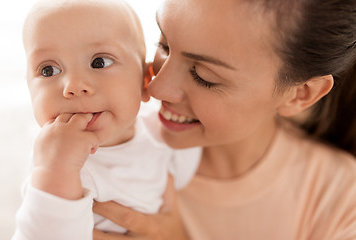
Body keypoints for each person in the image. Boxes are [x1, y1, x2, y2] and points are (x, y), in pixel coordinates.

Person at [92, 0, 356, 239]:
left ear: (299, 94)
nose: (156, 88)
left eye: (203, 75)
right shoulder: (91, 150)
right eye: (164, 45)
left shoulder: (343, 204)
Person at [12, 0, 200, 239]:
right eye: (48, 70)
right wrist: (54, 169)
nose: (74, 86)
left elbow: (184, 176)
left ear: (144, 80)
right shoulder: (57, 162)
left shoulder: (160, 130)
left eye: (99, 62)